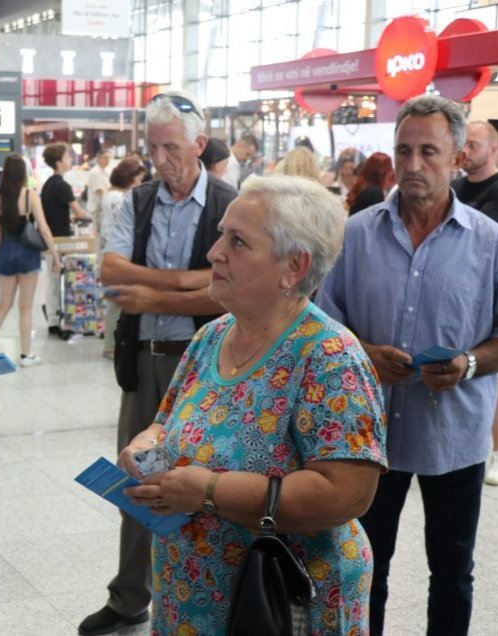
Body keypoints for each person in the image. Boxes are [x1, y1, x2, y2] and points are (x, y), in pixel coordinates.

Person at [121, 175, 386, 634]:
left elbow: (347, 494)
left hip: (281, 602)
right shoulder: (212, 336)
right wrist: (148, 441)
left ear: (294, 267)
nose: (214, 253)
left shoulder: (329, 357)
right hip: (195, 596)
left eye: (237, 242)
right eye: (222, 234)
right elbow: (167, 419)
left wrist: (208, 491)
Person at [316, 94, 498, 636]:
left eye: (429, 151)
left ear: (457, 158)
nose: (414, 164)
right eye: (404, 150)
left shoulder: (491, 243)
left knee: (452, 572)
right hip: (368, 437)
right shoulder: (355, 235)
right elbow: (323, 328)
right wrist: (365, 355)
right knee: (363, 567)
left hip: (456, 433)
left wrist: (470, 363)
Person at [79, 91, 237, 636]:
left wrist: (154, 296)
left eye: (172, 146)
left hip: (204, 366)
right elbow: (111, 270)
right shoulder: (139, 201)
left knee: (200, 481)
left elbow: (227, 292)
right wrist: (185, 283)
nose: (161, 157)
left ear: (198, 143)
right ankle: (129, 599)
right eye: (153, 147)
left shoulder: (228, 203)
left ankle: (201, 597)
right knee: (136, 477)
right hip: (143, 363)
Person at [450, 121, 498, 486]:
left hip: (493, 287)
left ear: (494, 149)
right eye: (462, 144)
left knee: (497, 371)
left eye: (473, 144)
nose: (466, 151)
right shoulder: (454, 188)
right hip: (457, 289)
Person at [0, 154, 60, 366]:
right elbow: (43, 228)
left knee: (2, 305)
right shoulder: (30, 195)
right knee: (25, 307)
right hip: (27, 253)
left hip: (5, 251)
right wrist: (55, 254)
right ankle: (26, 355)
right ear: (23, 172)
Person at [40, 142, 92, 335]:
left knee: (52, 280)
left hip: (51, 239)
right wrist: (93, 217)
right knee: (58, 280)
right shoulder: (62, 185)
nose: (70, 160)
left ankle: (53, 317)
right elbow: (78, 212)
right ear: (59, 161)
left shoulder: (48, 184)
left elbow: (53, 212)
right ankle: (54, 320)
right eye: (68, 157)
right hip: (60, 241)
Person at [99, 158, 147, 359]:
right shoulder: (121, 199)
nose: (141, 183)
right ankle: (110, 345)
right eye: (139, 178)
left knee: (114, 301)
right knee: (117, 303)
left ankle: (111, 343)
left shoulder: (108, 194)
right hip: (119, 255)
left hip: (108, 251)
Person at [86, 149, 112, 227]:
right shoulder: (95, 172)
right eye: (105, 157)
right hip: (95, 208)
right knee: (95, 232)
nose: (107, 160)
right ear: (99, 158)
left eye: (108, 158)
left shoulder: (106, 172)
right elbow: (99, 190)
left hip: (103, 208)